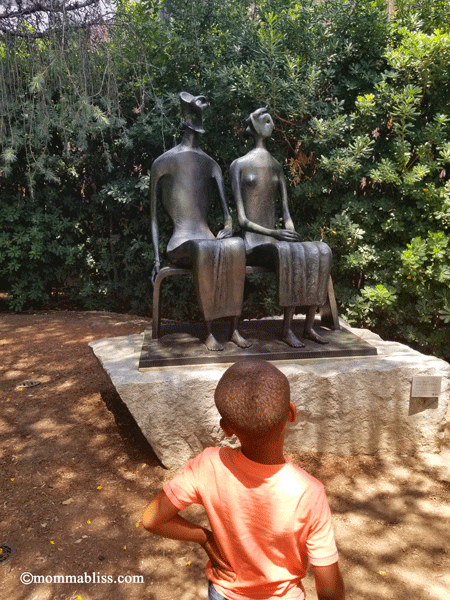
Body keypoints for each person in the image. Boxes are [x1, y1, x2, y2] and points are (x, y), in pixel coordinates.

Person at [143, 359, 345, 600]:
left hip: (224, 593)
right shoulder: (309, 493)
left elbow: (152, 519)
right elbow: (330, 592)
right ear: (291, 413)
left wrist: (204, 538)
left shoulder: (208, 465)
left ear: (226, 428)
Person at [150, 92, 249, 351]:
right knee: (205, 249)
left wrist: (227, 228)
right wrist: (157, 259)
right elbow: (153, 217)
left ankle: (234, 327)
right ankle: (209, 332)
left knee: (237, 247)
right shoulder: (163, 162)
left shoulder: (211, 164)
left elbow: (228, 217)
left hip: (206, 239)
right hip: (181, 242)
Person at [230, 108, 333, 348]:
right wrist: (274, 233)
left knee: (321, 250)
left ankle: (307, 326)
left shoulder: (276, 165)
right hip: (253, 242)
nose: (269, 122)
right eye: (262, 119)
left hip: (276, 240)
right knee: (288, 253)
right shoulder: (239, 165)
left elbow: (286, 211)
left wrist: (289, 232)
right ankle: (286, 330)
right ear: (253, 126)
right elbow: (242, 221)